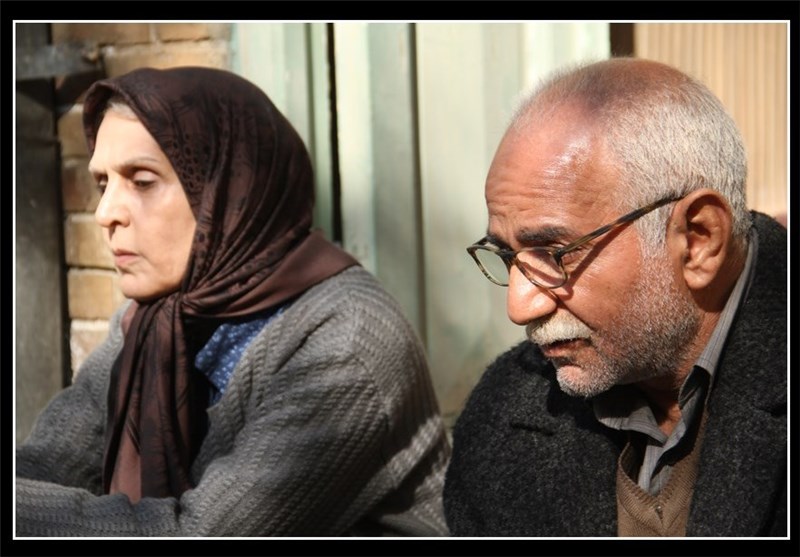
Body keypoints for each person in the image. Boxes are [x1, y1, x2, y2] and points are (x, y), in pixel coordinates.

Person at [16, 66, 451, 537]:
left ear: (228, 191)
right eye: (103, 184)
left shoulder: (346, 341)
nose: (106, 214)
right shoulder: (150, 321)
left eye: (141, 182)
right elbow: (47, 464)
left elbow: (200, 534)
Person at [443, 57, 786, 537]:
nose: (519, 307)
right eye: (506, 256)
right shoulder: (506, 410)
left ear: (698, 240)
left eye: (555, 253)